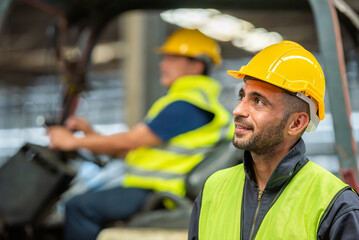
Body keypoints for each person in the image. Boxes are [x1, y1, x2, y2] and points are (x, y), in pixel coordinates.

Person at [47, 28, 234, 240]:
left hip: (158, 191)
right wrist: (90, 135)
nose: (163, 64)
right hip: (153, 187)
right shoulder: (191, 102)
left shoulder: (186, 105)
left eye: (173, 58)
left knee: (78, 207)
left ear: (197, 64)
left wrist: (72, 141)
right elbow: (137, 150)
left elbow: (132, 140)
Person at [188, 40, 359, 240]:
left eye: (258, 101)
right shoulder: (213, 189)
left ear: (296, 123)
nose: (238, 110)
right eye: (242, 97)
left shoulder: (337, 206)